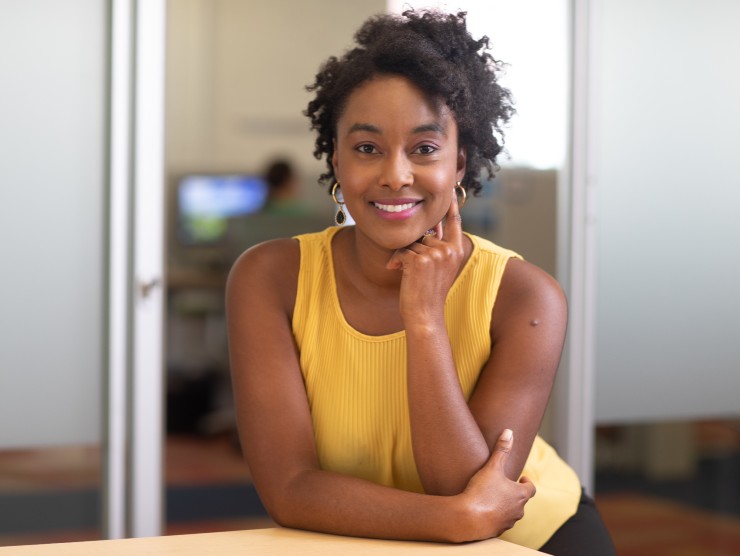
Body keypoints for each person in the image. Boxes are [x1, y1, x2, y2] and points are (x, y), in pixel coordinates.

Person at [226, 9, 615, 555]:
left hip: (530, 542)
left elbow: (466, 491)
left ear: (460, 162)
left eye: (425, 149)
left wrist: (425, 318)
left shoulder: (525, 296)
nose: (395, 174)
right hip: (376, 540)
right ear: (335, 158)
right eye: (366, 148)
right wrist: (453, 520)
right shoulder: (269, 278)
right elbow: (289, 489)